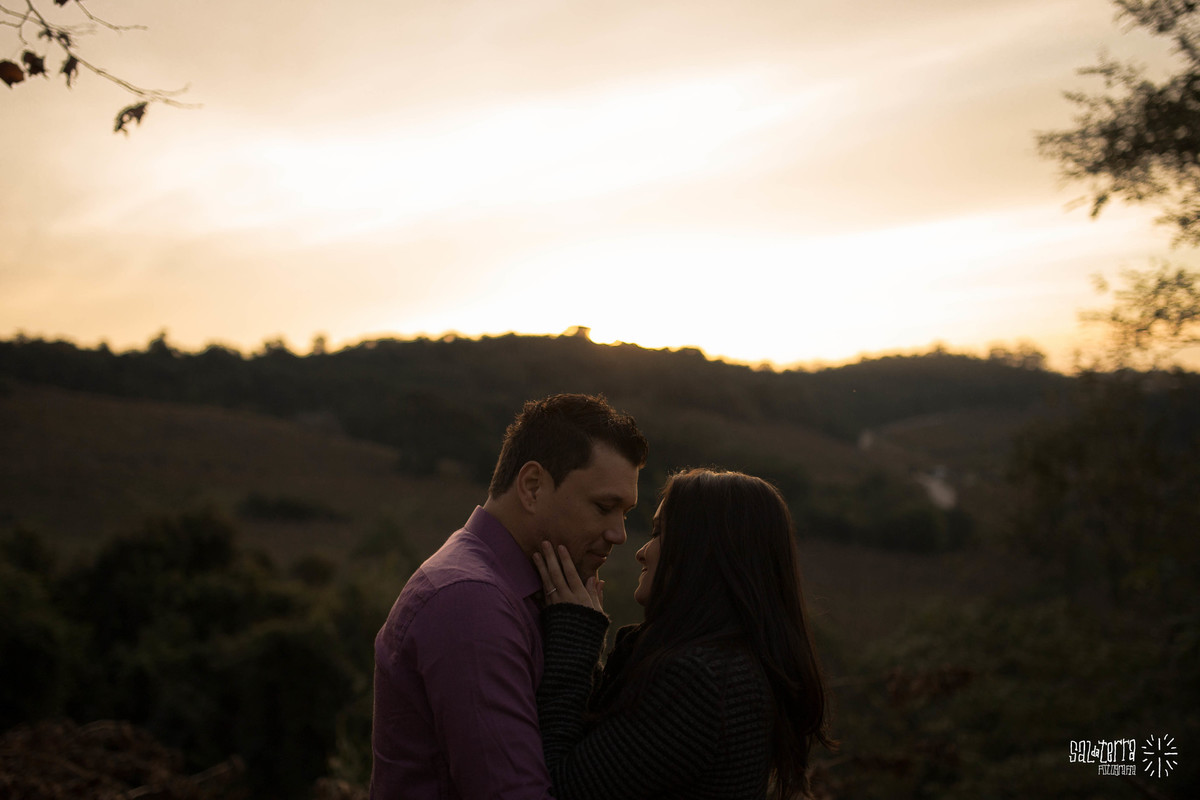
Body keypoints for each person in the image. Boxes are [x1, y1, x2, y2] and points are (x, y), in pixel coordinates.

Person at [369, 393, 648, 800]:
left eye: (625, 513)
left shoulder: (526, 594)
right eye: (604, 507)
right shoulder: (470, 603)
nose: (619, 534)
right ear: (532, 487)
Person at [533, 468, 834, 799]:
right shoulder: (728, 668)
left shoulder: (698, 682)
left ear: (704, 550)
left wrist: (574, 638)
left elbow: (560, 786)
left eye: (659, 533)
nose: (641, 551)